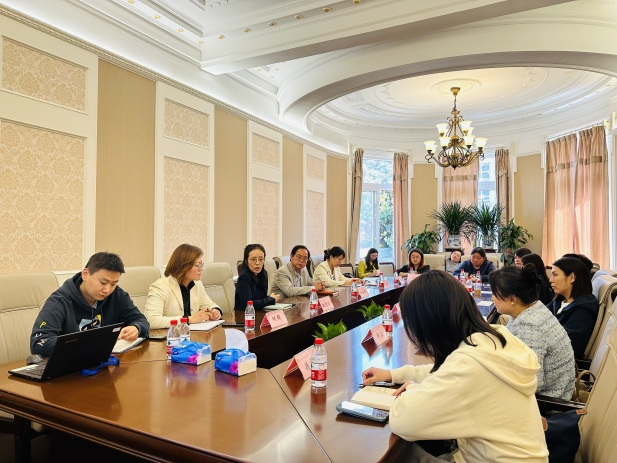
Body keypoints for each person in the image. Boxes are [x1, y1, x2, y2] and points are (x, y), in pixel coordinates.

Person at [362, 270, 548, 462]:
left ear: (428, 323)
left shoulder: (468, 365)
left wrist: (413, 389)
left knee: (396, 456)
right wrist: (392, 374)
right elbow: (445, 372)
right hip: (502, 456)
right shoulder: (492, 339)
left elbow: (402, 421)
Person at [30, 252, 149, 356]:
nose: (107, 290)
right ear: (85, 274)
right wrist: (85, 343)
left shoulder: (117, 295)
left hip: (106, 364)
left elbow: (141, 320)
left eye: (113, 284)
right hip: (71, 369)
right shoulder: (59, 301)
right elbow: (39, 343)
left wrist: (136, 328)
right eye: (103, 282)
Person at [489, 265, 575, 399]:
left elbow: (532, 382)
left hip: (548, 402)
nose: (492, 298)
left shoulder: (529, 326)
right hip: (548, 393)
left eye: (494, 293)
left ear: (512, 299)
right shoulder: (532, 308)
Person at [144, 244, 222, 329]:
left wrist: (215, 311)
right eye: (197, 265)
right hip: (170, 335)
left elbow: (210, 305)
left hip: (193, 334)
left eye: (201, 265)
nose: (201, 269)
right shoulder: (160, 286)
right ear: (184, 266)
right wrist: (188, 319)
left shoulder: (197, 285)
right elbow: (152, 320)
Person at [547, 257, 599, 359]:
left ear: (572, 277)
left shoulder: (583, 311)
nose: (550, 280)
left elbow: (566, 348)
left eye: (555, 275)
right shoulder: (559, 301)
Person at [235, 244, 280, 310]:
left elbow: (261, 299)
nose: (257, 263)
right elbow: (248, 304)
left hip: (259, 311)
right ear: (246, 261)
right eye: (253, 259)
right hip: (243, 314)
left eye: (261, 259)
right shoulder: (244, 277)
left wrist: (270, 298)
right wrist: (270, 299)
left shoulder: (264, 274)